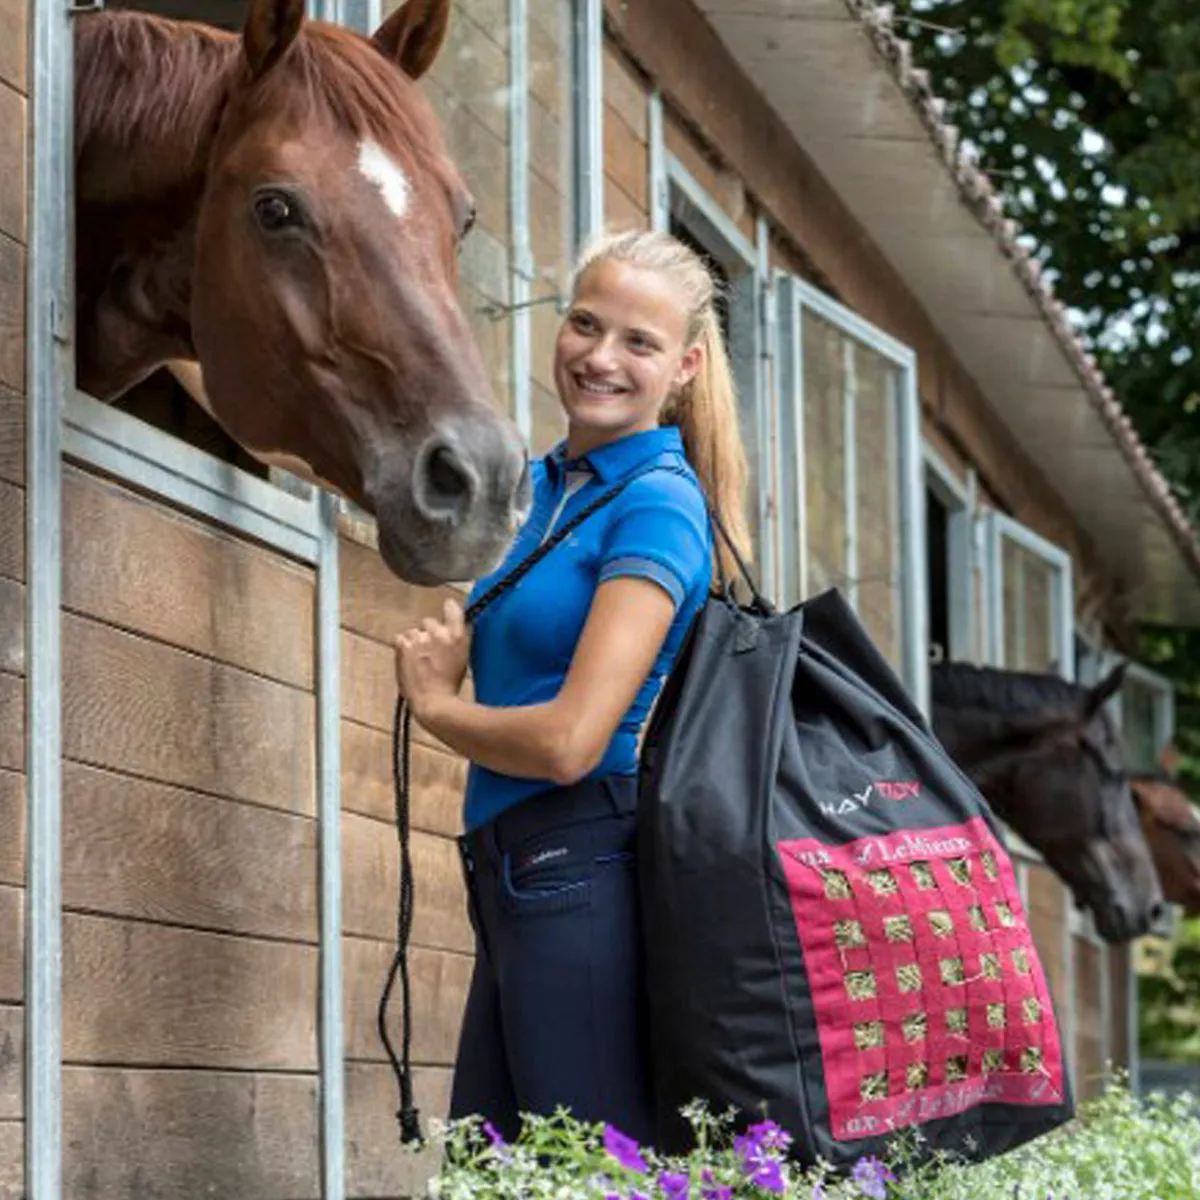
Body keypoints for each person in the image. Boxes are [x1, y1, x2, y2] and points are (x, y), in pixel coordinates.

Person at [392, 228, 752, 1144]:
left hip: (578, 859)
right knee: (498, 1169)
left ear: (685, 366)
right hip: (511, 871)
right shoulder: (546, 485)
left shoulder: (657, 502)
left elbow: (569, 741)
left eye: (639, 342)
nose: (600, 358)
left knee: (581, 1169)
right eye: (586, 325)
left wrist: (438, 706)